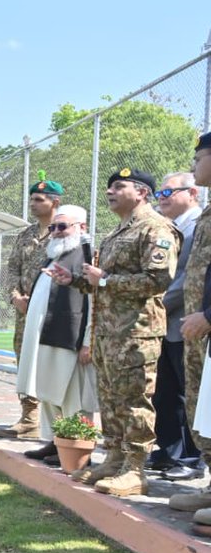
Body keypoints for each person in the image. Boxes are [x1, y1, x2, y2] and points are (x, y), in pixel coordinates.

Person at [53, 169, 179, 496]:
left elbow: (157, 281)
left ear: (142, 193)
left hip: (137, 332)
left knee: (135, 400)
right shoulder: (116, 232)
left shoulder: (155, 228)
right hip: (109, 333)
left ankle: (135, 469)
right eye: (109, 186)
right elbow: (102, 283)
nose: (110, 191)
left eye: (118, 186)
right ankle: (114, 458)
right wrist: (77, 281)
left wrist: (104, 280)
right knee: (110, 399)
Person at [19, 206, 98, 464]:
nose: (55, 232)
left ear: (81, 227)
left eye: (62, 227)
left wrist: (89, 341)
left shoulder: (86, 255)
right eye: (53, 227)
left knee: (72, 396)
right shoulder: (56, 253)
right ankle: (55, 442)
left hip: (70, 337)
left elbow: (94, 302)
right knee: (49, 391)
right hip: (48, 336)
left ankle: (78, 447)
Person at [144, 173, 205, 481]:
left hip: (186, 322)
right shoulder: (172, 228)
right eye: (159, 192)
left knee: (186, 392)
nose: (162, 197)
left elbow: (187, 280)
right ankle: (169, 450)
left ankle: (192, 457)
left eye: (168, 191)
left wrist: (156, 306)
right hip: (166, 325)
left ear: (192, 192)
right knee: (165, 392)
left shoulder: (197, 227)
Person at [1, 179, 63, 439]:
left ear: (55, 202)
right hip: (23, 311)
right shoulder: (25, 234)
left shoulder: (64, 232)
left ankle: (56, 422)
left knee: (49, 362)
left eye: (40, 200)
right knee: (23, 360)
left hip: (50, 313)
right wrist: (15, 296)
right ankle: (29, 418)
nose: (33, 204)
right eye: (32, 200)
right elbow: (12, 268)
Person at [173, 134, 211, 519]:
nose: (194, 164)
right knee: (203, 410)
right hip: (199, 333)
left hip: (207, 325)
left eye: (198, 157)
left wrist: (209, 315)